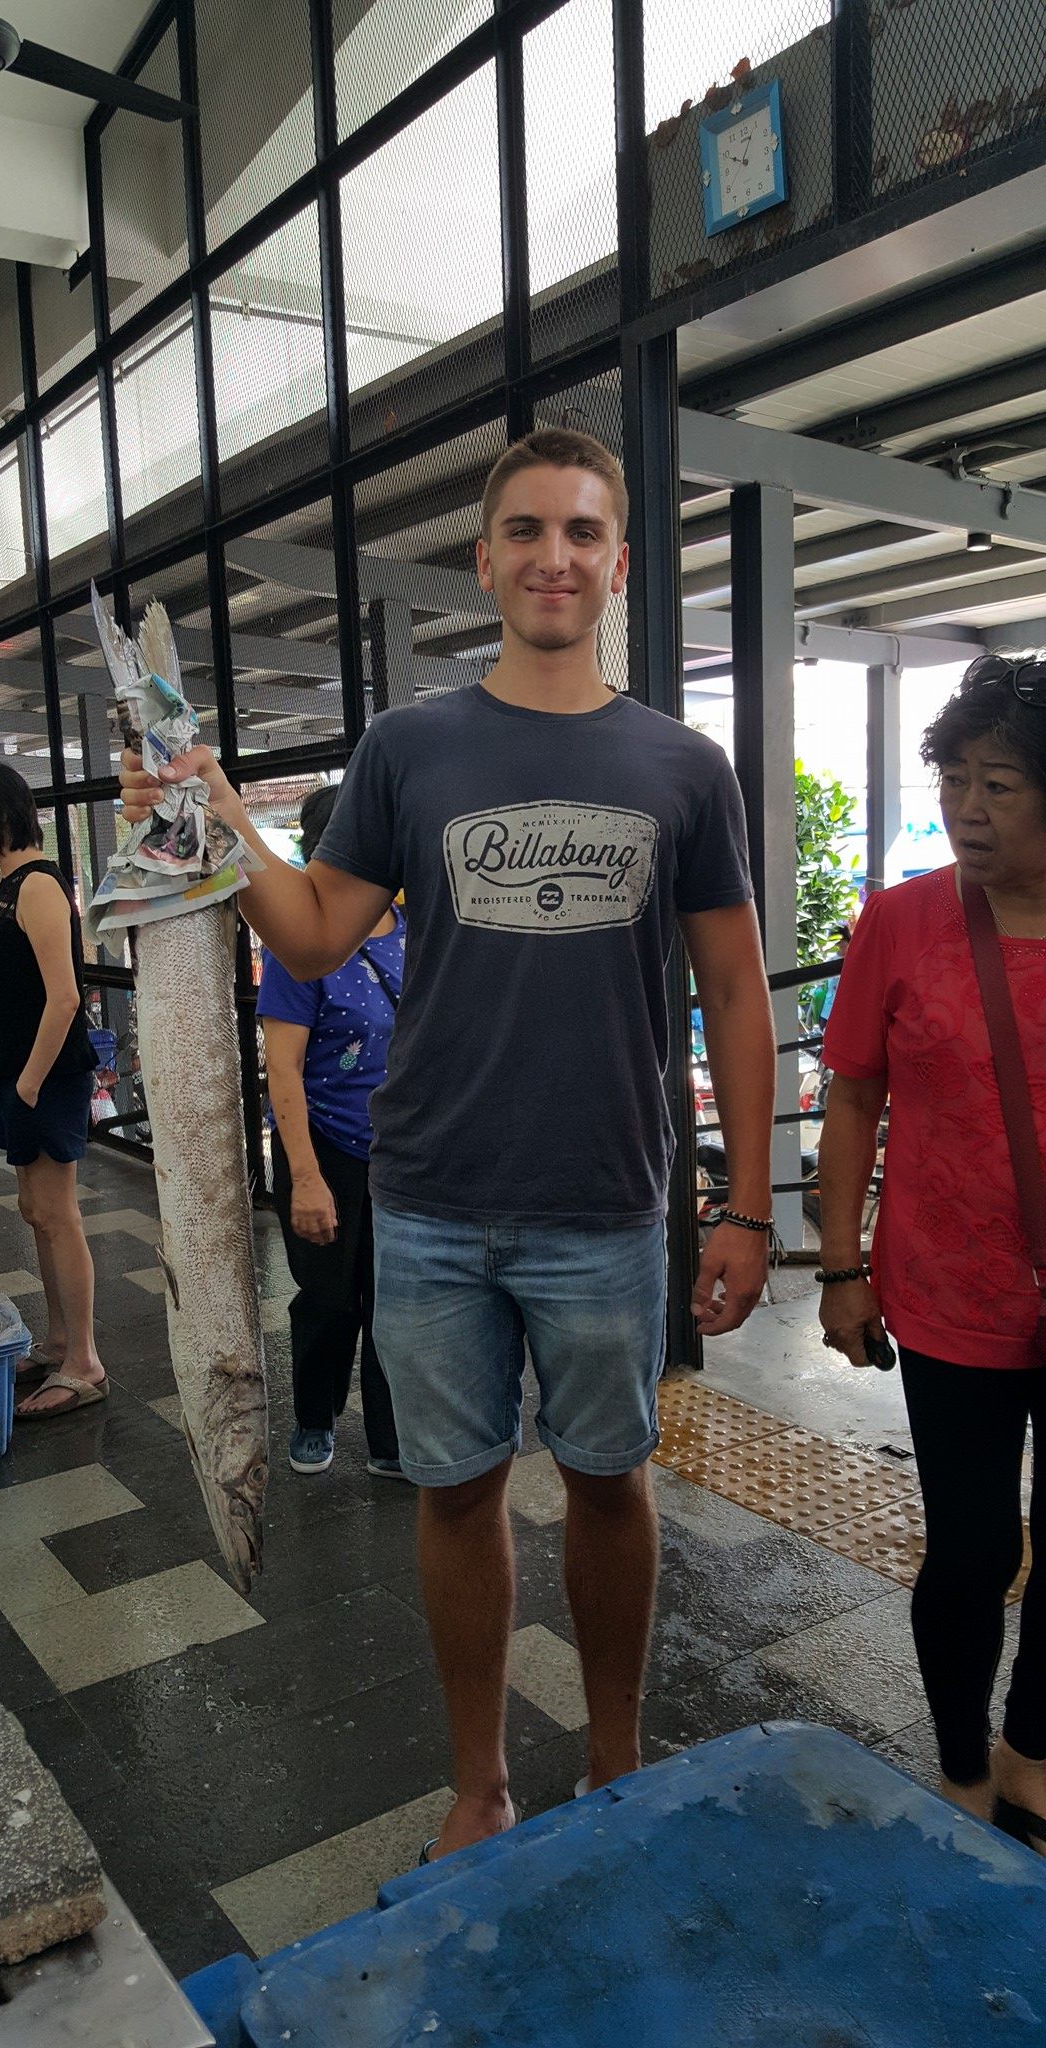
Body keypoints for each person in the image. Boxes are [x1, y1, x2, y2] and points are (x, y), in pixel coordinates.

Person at [121, 428, 775, 1858]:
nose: (555, 555)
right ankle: (477, 1782)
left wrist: (745, 1206)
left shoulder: (685, 766)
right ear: (484, 564)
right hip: (427, 1204)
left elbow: (732, 985)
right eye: (527, 531)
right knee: (456, 1487)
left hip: (608, 1201)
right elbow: (310, 930)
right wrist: (210, 819)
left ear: (617, 563)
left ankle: (615, 1753)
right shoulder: (410, 750)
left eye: (584, 532)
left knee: (610, 1479)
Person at [818, 652, 1046, 1847]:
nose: (966, 805)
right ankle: (962, 1756)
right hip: (950, 1292)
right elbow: (851, 1095)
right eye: (954, 777)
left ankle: (1033, 1741)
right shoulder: (905, 921)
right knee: (972, 1545)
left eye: (999, 781)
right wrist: (840, 1267)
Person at [0, 763, 105, 1419]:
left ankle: (85, 1363)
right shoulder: (10, 885)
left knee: (58, 1213)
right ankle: (59, 1340)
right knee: (36, 1211)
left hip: (43, 1077)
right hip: (19, 1074)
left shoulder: (38, 885)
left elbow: (65, 996)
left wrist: (33, 1083)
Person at [260, 785, 405, 1479]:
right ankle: (314, 1420)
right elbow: (282, 1069)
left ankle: (390, 1439)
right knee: (326, 1297)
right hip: (324, 1151)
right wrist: (306, 1177)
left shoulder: (415, 931)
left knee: (394, 1300)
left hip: (403, 1157)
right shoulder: (298, 951)